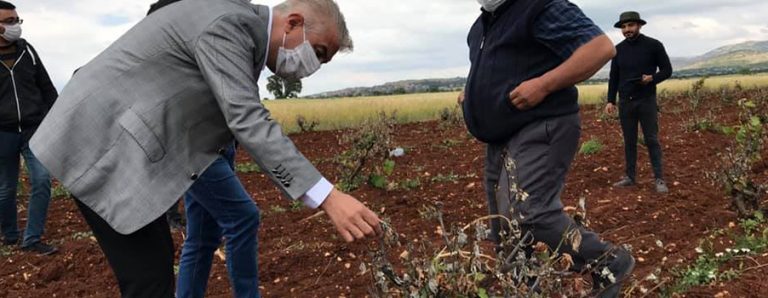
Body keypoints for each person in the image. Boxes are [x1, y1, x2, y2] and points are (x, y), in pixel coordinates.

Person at [29, 0, 381, 297]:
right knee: (149, 278)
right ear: (293, 22)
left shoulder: (237, 28)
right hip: (100, 145)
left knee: (154, 269)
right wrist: (328, 197)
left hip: (127, 151)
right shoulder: (231, 24)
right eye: (318, 52)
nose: (312, 66)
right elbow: (245, 117)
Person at [461, 0, 633, 296]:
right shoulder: (481, 26)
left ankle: (609, 262)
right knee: (503, 226)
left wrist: (544, 84)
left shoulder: (538, 7)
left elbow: (600, 48)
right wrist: (474, 92)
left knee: (529, 213)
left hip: (542, 123)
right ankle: (524, 289)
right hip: (500, 136)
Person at [0, 0, 58, 256]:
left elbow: (46, 87)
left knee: (42, 180)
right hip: (3, 133)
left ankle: (32, 239)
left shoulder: (28, 51)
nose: (15, 26)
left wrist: (51, 118)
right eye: (9, 21)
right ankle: (10, 235)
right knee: (6, 188)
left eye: (16, 20)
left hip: (34, 129)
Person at [605, 11, 672, 193]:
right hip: (626, 102)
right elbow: (614, 77)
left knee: (651, 139)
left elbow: (667, 70)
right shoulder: (617, 50)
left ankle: (659, 179)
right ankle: (630, 177)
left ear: (639, 26)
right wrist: (611, 100)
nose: (627, 29)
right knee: (629, 141)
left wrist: (652, 78)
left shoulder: (654, 45)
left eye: (631, 25)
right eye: (624, 27)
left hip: (646, 100)